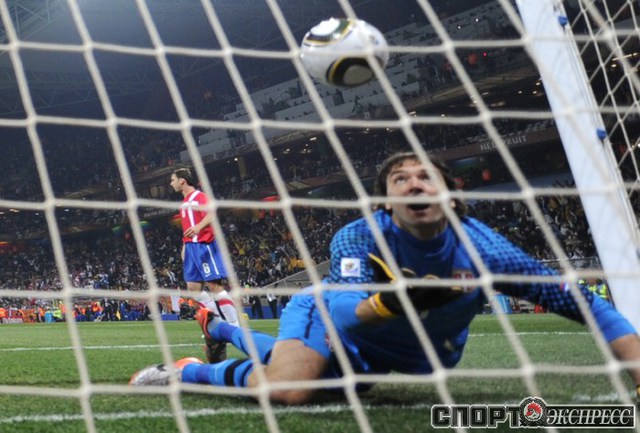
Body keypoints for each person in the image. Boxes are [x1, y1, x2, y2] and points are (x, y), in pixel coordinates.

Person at [132, 152, 640, 405]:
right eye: (401, 178)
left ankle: (220, 327)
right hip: (329, 315)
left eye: (426, 177)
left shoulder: (483, 247)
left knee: (314, 375)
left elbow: (581, 301)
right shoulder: (359, 237)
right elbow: (344, 311)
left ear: (450, 194)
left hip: (396, 352)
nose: (414, 184)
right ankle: (187, 372)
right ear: (386, 199)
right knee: (290, 388)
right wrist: (392, 303)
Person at [169, 168, 239, 361]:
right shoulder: (184, 203)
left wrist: (199, 227)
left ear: (182, 181)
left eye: (173, 180)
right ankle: (218, 323)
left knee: (214, 286)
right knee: (193, 289)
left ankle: (234, 326)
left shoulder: (199, 196)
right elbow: (187, 228)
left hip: (204, 245)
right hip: (191, 247)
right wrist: (185, 245)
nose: (171, 183)